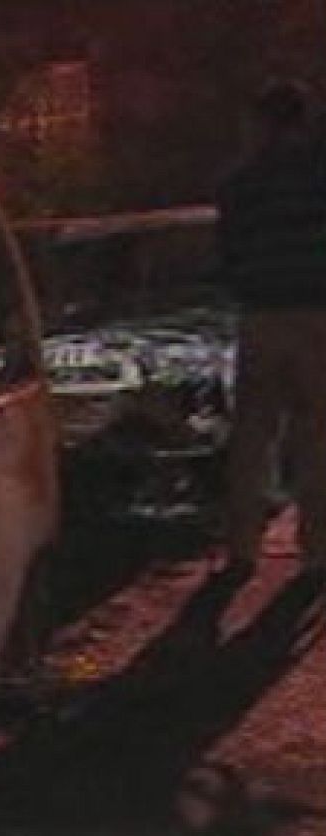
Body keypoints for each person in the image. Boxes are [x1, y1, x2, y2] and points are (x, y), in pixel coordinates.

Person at [217, 80, 326, 584]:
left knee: (252, 435)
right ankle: (316, 550)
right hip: (315, 314)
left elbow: (228, 254)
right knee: (315, 436)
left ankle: (242, 548)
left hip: (260, 315)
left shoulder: (241, 181)